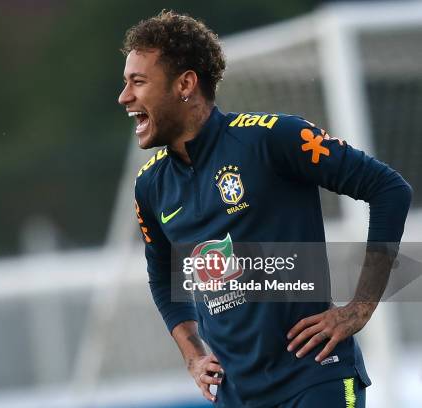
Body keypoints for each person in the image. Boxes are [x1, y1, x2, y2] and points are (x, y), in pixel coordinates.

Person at [118, 10, 412, 408]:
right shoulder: (150, 186)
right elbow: (161, 275)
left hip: (314, 380)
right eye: (126, 83)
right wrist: (192, 354)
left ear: (185, 83)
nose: (125, 97)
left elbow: (389, 189)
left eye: (138, 82)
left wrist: (359, 309)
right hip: (237, 396)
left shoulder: (272, 138)